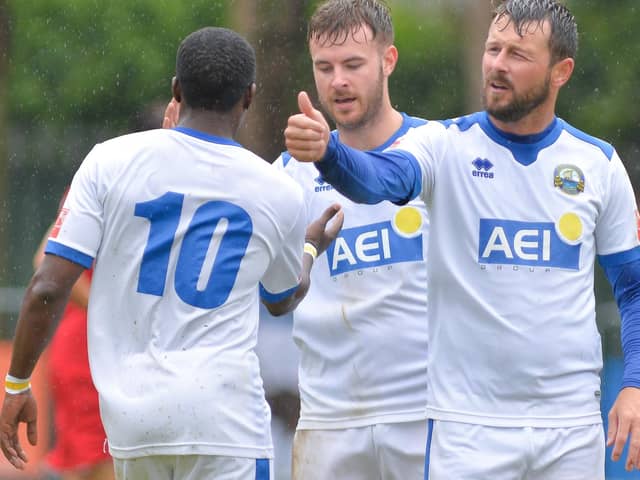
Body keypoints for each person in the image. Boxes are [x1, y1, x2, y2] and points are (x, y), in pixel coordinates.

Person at [284, 0, 640, 478]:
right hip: (467, 429)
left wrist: (634, 384)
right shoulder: (444, 144)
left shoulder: (598, 163)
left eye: (518, 54)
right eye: (493, 49)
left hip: (571, 427)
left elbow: (633, 288)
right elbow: (381, 180)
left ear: (561, 71)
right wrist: (330, 156)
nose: (497, 64)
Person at [0, 26, 343, 480]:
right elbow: (280, 299)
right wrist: (311, 247)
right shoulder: (275, 188)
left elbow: (46, 285)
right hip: (226, 422)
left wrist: (17, 383)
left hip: (135, 423)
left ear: (176, 90)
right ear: (249, 96)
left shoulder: (108, 161)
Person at [277, 1, 429, 479]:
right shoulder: (286, 176)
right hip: (329, 419)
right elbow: (272, 298)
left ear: (388, 61)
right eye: (324, 67)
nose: (337, 80)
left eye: (353, 65)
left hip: (430, 414)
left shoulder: (440, 152)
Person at [33, 189, 113, 480]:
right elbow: (46, 260)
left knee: (88, 457)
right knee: (99, 458)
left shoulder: (101, 180)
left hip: (88, 345)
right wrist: (107, 315)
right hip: (89, 350)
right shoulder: (106, 182)